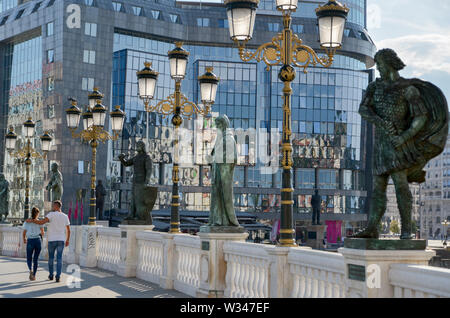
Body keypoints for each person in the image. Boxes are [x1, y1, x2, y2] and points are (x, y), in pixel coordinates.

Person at [26, 200, 70, 282]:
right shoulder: (65, 216)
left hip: (52, 240)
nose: (52, 207)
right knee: (59, 258)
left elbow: (41, 222)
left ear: (56, 206)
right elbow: (68, 230)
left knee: (51, 258)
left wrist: (32, 220)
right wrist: (67, 240)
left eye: (53, 205)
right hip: (61, 240)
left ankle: (50, 275)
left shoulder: (51, 215)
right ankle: (58, 276)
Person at [22, 207, 44, 281]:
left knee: (29, 257)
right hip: (37, 240)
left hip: (30, 241)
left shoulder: (27, 222)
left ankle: (30, 269)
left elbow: (24, 232)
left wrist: (24, 239)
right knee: (36, 259)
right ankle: (34, 275)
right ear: (38, 214)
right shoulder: (39, 222)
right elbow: (42, 233)